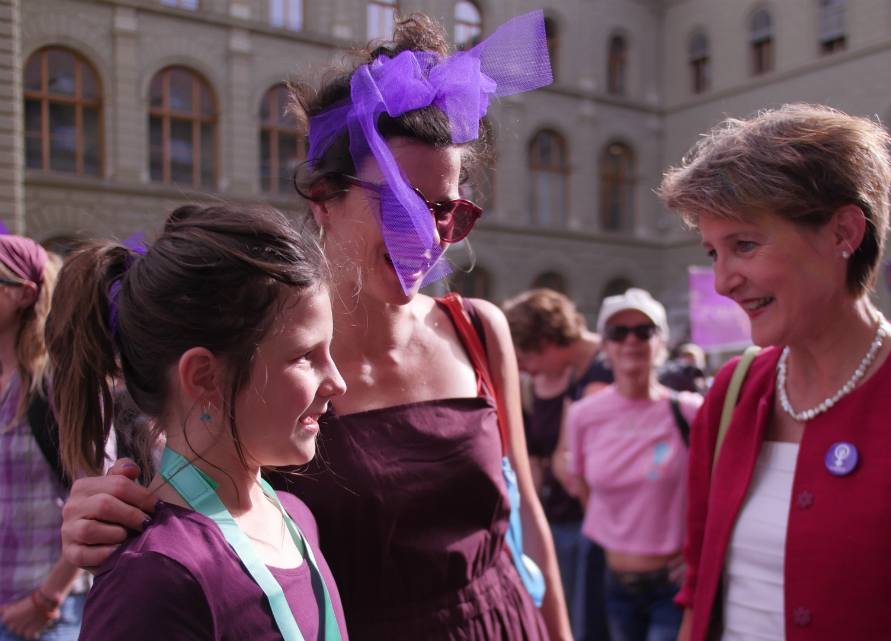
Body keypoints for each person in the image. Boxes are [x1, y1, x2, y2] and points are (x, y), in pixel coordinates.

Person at [57, 12, 573, 641]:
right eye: (402, 203)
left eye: (447, 210)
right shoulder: (264, 363)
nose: (428, 235)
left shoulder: (480, 330)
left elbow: (528, 516)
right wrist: (105, 508)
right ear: (321, 197)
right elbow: (189, 489)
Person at [658, 104, 891, 640]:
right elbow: (700, 589)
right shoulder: (734, 391)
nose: (722, 281)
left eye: (745, 245)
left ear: (844, 233)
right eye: (713, 251)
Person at [45, 205, 347, 641]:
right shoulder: (154, 578)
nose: (336, 382)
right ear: (204, 377)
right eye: (305, 356)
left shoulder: (296, 519)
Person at [563, 289, 701, 641]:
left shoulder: (690, 411)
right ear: (604, 347)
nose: (631, 341)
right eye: (617, 332)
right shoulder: (583, 415)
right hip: (611, 583)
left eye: (644, 330)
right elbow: (581, 482)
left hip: (673, 588)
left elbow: (722, 488)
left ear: (662, 342)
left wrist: (700, 553)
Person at [503, 288, 613, 641]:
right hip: (567, 518)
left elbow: (570, 467)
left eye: (524, 359)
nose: (524, 370)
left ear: (545, 341)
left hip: (606, 523)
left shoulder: (610, 366)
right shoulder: (554, 379)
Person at [0, 239, 80, 641]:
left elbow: (100, 496)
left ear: (23, 295)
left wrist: (46, 599)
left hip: (43, 616)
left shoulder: (60, 385)